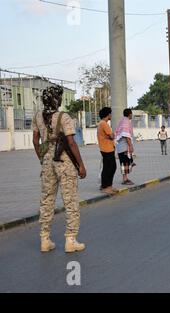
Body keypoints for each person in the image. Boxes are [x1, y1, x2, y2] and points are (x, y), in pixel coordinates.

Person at [32, 85, 86, 253]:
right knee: (70, 199)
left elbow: (35, 141)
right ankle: (71, 240)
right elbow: (71, 142)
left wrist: (42, 158)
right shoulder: (64, 117)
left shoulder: (37, 116)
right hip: (64, 162)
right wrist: (81, 165)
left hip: (47, 161)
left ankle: (45, 239)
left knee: (47, 199)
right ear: (57, 100)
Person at [97, 107, 117, 195]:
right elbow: (112, 136)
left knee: (109, 167)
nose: (111, 115)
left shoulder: (102, 123)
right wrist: (111, 136)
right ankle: (105, 186)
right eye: (110, 113)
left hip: (107, 148)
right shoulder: (104, 124)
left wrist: (111, 136)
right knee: (110, 168)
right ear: (108, 114)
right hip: (107, 149)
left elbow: (111, 136)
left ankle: (109, 186)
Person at [115, 109, 135, 185]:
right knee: (125, 163)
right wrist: (130, 146)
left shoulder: (122, 121)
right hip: (124, 146)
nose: (132, 115)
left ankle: (126, 178)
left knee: (125, 162)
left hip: (121, 146)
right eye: (131, 114)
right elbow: (126, 135)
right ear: (129, 114)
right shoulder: (126, 122)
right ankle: (125, 179)